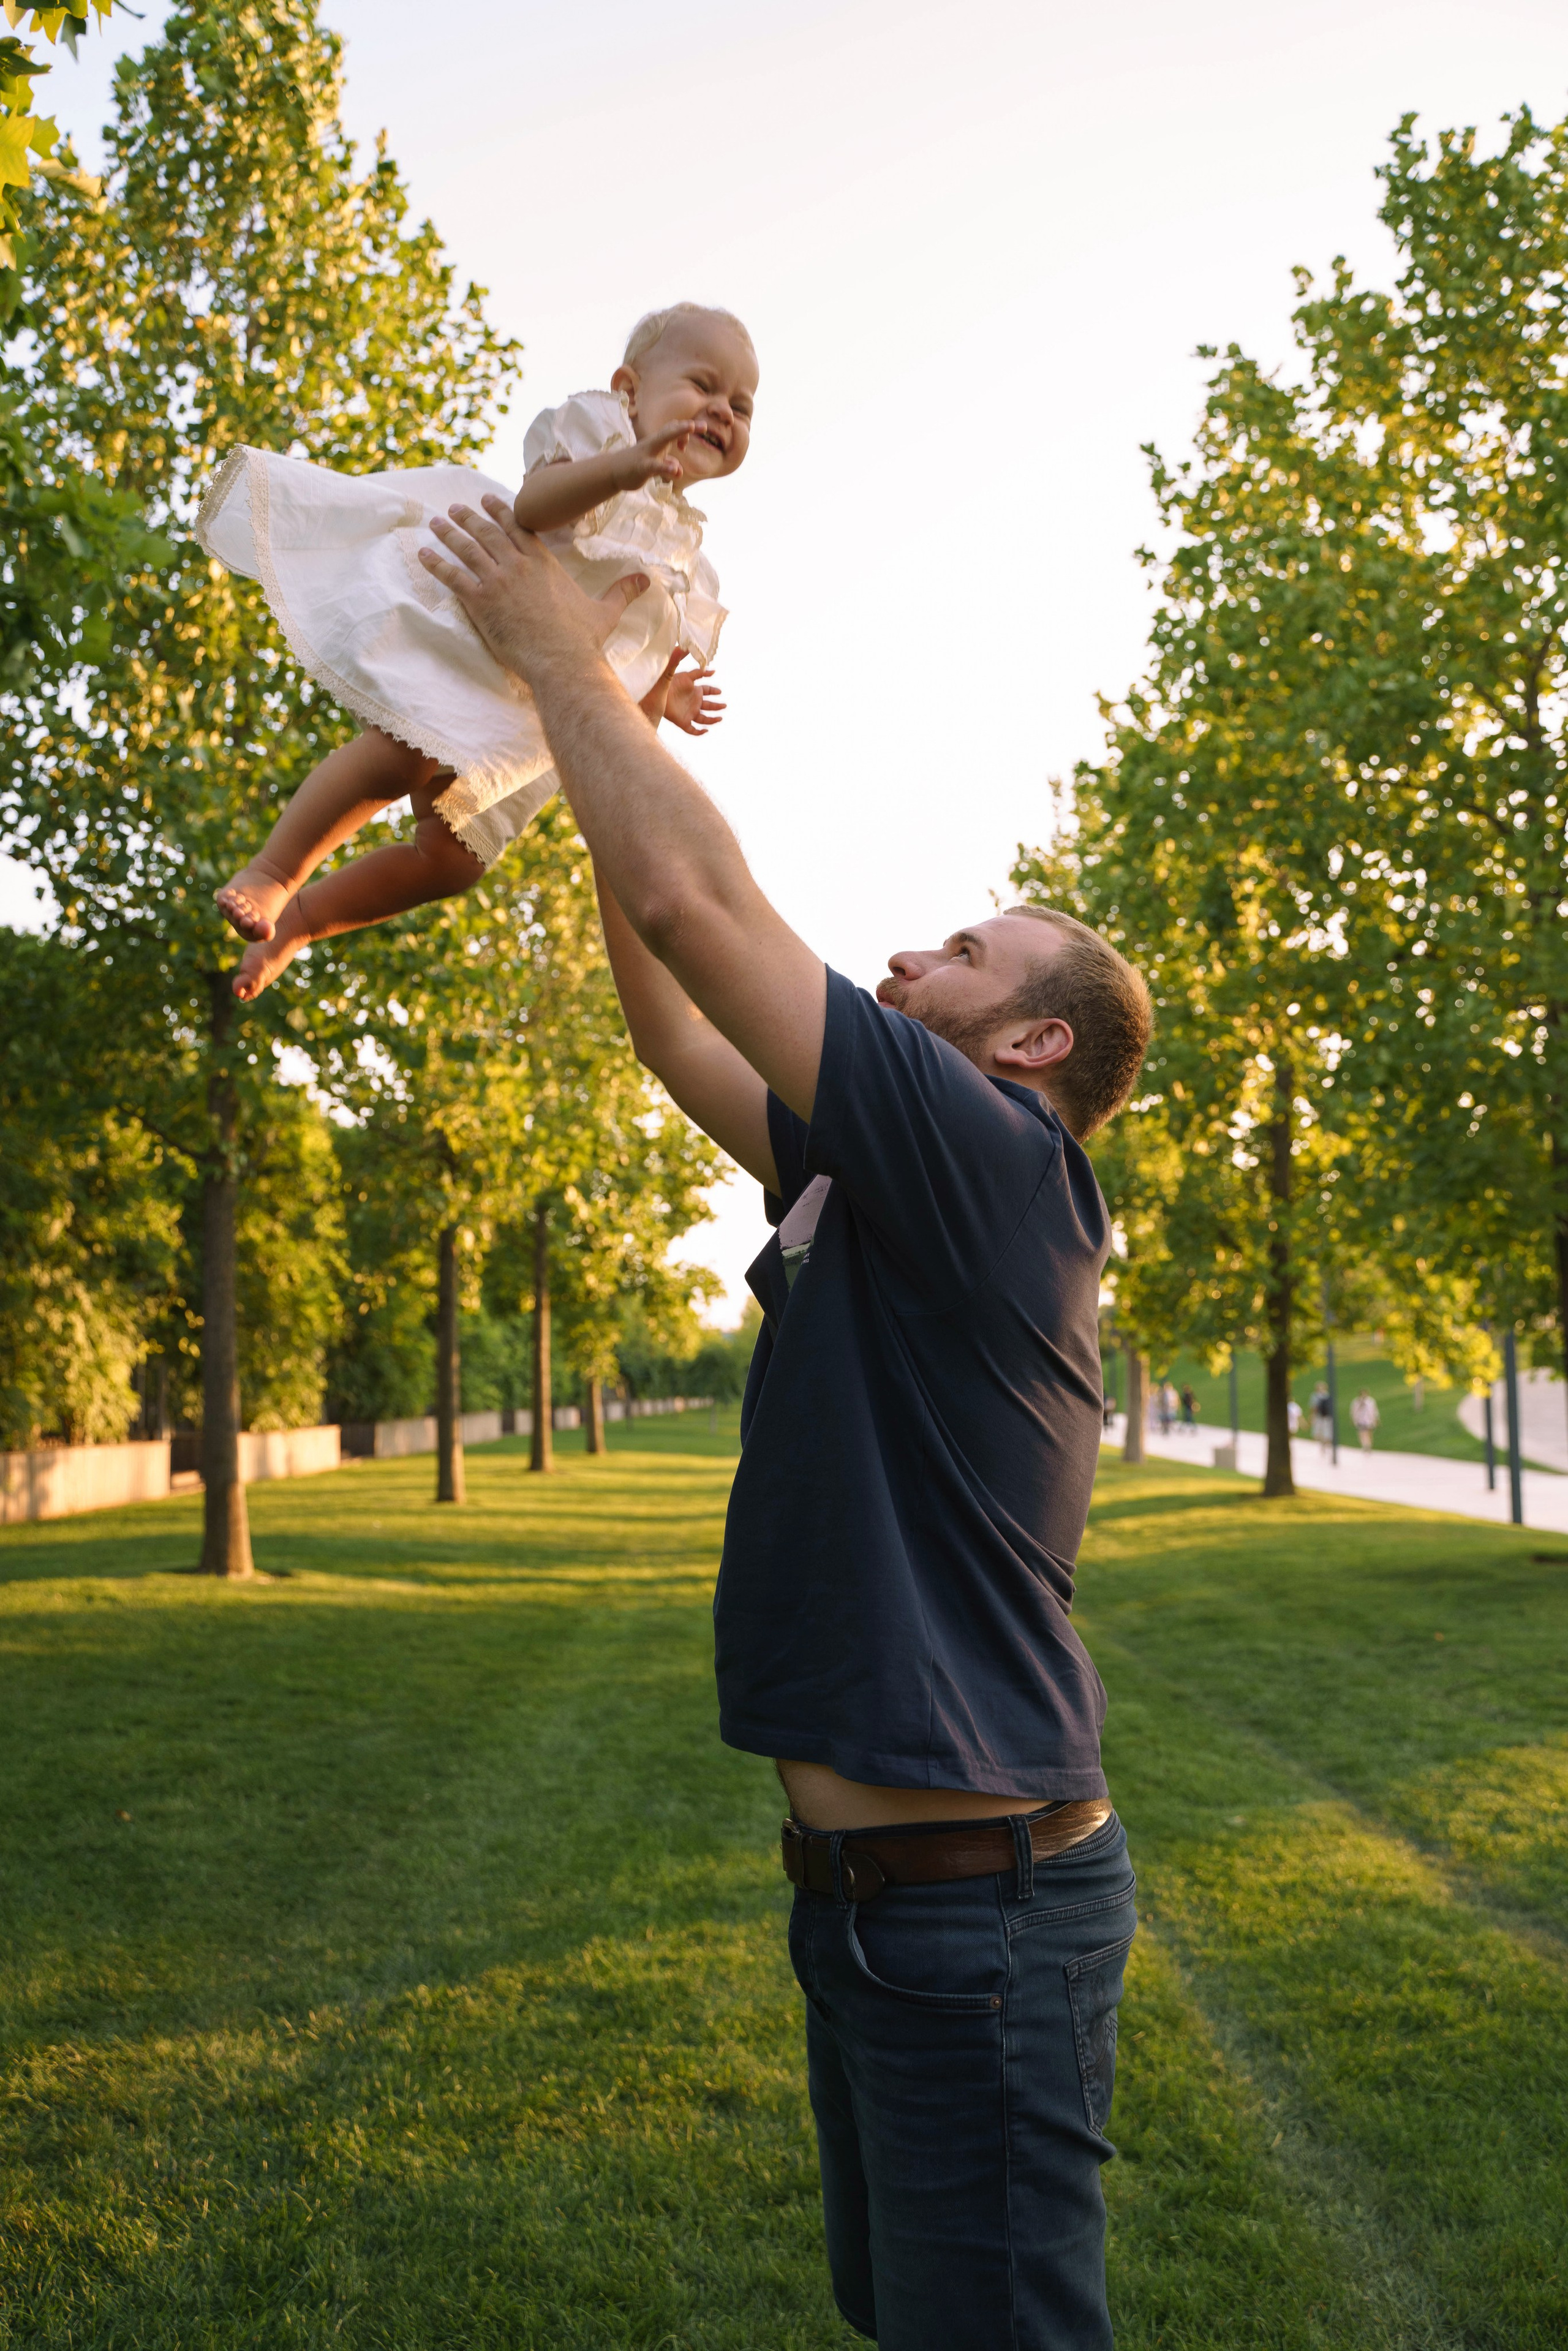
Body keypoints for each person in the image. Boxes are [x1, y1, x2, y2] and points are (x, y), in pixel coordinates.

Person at [415, 494, 1155, 2350]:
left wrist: (554, 645)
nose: (916, 953)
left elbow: (707, 902)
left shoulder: (986, 1158)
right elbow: (673, 1015)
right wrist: (627, 742)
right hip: (885, 1901)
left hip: (973, 1912)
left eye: (969, 951)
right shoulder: (891, 1173)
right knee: (903, 2312)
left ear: (1032, 1044)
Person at [197, 302, 756, 1000]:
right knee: (403, 752)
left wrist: (662, 696)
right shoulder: (602, 433)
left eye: (742, 405)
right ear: (630, 389)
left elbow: (631, 649)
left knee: (454, 862)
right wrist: (623, 467)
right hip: (486, 642)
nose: (724, 412)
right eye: (704, 386)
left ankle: (305, 923)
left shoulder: (689, 558)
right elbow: (536, 505)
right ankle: (277, 872)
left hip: (530, 720)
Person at [1351, 1387, 1379, 1451]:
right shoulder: (1356, 1402)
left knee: (1369, 1433)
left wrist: (1376, 1419)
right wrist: (1354, 1419)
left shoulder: (1371, 1401)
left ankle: (1369, 1445)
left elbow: (1375, 1410)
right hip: (1360, 1419)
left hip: (1369, 1419)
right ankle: (1364, 1445)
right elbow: (1354, 1411)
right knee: (1362, 1433)